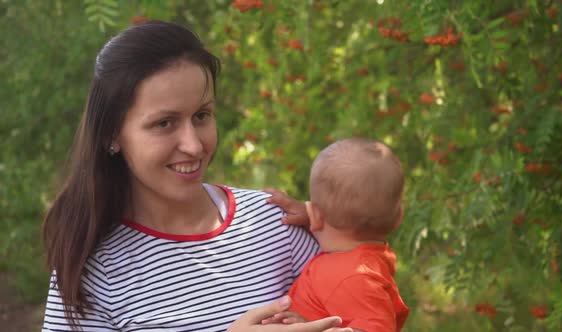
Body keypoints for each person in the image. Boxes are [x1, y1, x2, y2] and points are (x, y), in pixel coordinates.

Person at [41, 20, 352, 332]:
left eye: (202, 116)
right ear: (112, 134)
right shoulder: (95, 270)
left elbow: (368, 304)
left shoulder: (277, 224)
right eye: (165, 123)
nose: (193, 145)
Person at [265, 138, 410, 331]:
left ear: (317, 216)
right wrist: (309, 217)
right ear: (399, 217)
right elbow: (341, 232)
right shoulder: (364, 260)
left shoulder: (355, 278)